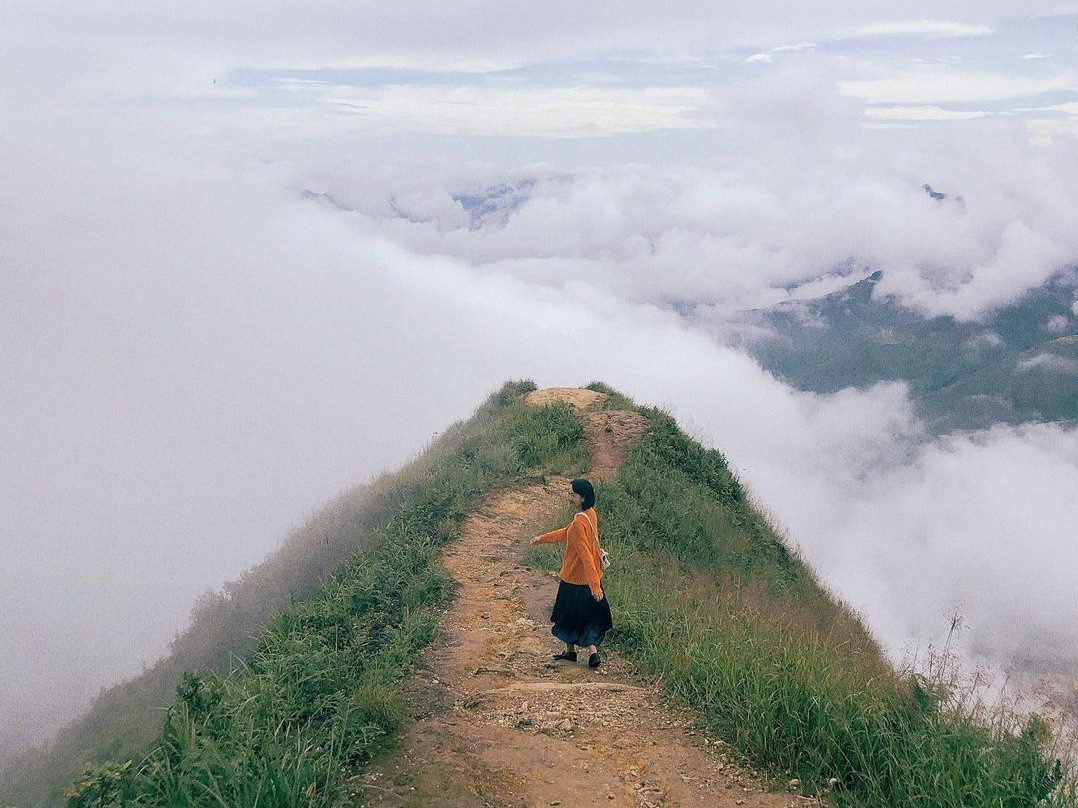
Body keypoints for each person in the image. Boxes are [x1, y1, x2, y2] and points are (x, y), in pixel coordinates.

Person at [530, 478, 612, 668]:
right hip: (591, 578)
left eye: (572, 495)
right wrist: (541, 539)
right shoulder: (590, 514)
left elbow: (585, 556)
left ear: (582, 498)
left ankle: (570, 652)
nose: (569, 497)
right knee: (589, 616)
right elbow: (565, 533)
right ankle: (593, 653)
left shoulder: (578, 523)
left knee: (567, 617)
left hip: (575, 578)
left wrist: (594, 586)